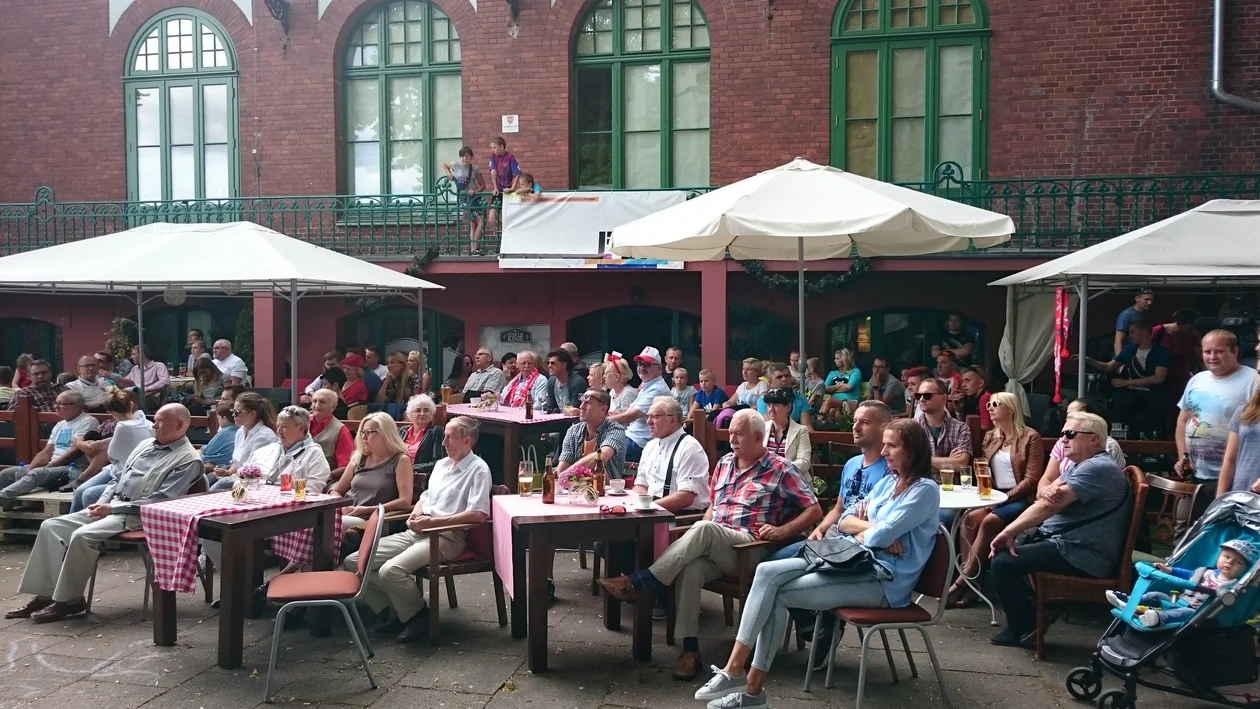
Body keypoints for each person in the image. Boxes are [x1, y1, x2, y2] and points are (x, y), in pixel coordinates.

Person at [693, 418, 941, 709]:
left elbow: (879, 533)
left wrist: (871, 531)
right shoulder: (888, 482)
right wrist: (870, 530)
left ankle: (748, 688)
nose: (884, 452)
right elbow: (845, 519)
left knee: (776, 594)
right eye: (884, 444)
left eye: (892, 446)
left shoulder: (925, 490)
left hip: (883, 579)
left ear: (913, 451)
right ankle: (737, 675)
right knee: (766, 571)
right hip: (847, 558)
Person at [600, 409, 822, 680]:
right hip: (718, 542)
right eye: (729, 433)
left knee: (704, 529)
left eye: (738, 434)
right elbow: (713, 509)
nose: (732, 439)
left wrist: (783, 530)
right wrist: (700, 536)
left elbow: (814, 510)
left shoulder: (780, 468)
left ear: (758, 436)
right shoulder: (726, 463)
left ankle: (643, 581)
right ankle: (690, 651)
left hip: (750, 548)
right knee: (691, 567)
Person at [5, 404, 201, 624]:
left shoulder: (189, 460)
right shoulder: (145, 444)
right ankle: (45, 595)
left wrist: (113, 508)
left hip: (140, 517)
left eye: (160, 421)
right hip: (113, 506)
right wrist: (102, 503)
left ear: (179, 424)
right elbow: (118, 480)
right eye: (154, 419)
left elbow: (162, 500)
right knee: (51, 526)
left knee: (83, 535)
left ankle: (69, 601)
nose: (154, 425)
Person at [765, 399, 893, 670]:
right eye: (855, 420)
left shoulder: (891, 469)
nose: (855, 426)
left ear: (884, 428)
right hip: (831, 537)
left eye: (864, 422)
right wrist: (820, 529)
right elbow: (838, 508)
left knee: (792, 576)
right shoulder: (852, 463)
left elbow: (880, 523)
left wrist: (842, 530)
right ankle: (813, 623)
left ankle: (827, 621)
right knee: (771, 562)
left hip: (856, 547)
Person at [988, 411, 1133, 648]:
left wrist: (1008, 532)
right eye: (1062, 433)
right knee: (1007, 551)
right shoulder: (1082, 465)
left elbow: (1047, 505)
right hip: (1069, 544)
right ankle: (1032, 615)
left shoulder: (1097, 468)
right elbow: (1044, 495)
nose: (1062, 439)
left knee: (1004, 561)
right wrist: (1046, 495)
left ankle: (1022, 626)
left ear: (1094, 439)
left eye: (1070, 434)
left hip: (1083, 553)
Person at [346, 416, 491, 642]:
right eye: (444, 436)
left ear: (467, 441)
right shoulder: (442, 465)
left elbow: (478, 514)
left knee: (389, 571)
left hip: (446, 537)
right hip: (417, 530)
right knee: (355, 561)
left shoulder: (478, 470)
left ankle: (418, 618)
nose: (443, 443)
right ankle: (399, 611)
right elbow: (425, 497)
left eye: (449, 437)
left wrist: (433, 523)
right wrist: (417, 512)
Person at [201, 406, 333, 574]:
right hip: (251, 508)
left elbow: (312, 491)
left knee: (242, 534)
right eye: (278, 426)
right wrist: (240, 491)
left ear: (301, 429)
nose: (279, 431)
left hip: (289, 515)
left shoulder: (314, 454)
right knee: (211, 531)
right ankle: (236, 581)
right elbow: (241, 480)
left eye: (285, 427)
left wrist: (276, 491)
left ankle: (250, 587)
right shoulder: (266, 450)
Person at [950, 392, 1043, 608]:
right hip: (995, 495)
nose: (990, 408)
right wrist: (990, 496)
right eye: (989, 404)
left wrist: (1004, 498)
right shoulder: (991, 436)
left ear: (1010, 408)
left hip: (1020, 498)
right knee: (969, 519)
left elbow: (1031, 480)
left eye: (995, 404)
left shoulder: (1031, 437)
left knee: (990, 522)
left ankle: (962, 581)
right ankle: (975, 585)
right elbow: (984, 471)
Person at [1175, 330, 1258, 497]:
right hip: (1194, 473)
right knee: (1185, 521)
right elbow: (1183, 421)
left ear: (1235, 351)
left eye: (1219, 351)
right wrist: (1183, 457)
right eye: (1207, 352)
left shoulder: (1253, 379)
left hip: (1232, 476)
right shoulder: (1197, 379)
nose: (1212, 356)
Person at [1106, 540, 1256, 628]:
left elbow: (1228, 605)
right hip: (1179, 601)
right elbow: (1187, 574)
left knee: (1185, 613)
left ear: (1244, 569)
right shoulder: (1206, 572)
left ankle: (1159, 617)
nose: (1229, 562)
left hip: (1196, 612)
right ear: (1219, 556)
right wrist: (1168, 569)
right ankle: (1128, 601)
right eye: (1226, 557)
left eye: (1238, 562)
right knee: (1156, 595)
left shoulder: (1233, 587)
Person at [0, 391, 99, 510]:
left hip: (73, 468)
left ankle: (3, 497)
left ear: (76, 406)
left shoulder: (88, 421)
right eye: (56, 403)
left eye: (61, 404)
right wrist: (30, 467)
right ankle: (8, 506)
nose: (56, 407)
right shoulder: (60, 425)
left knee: (37, 473)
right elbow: (46, 452)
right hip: (53, 466)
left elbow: (75, 452)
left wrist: (46, 468)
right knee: (6, 474)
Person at [67, 389, 153, 513]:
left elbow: (112, 455)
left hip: (125, 472)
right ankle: (74, 520)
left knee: (87, 493)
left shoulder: (122, 426)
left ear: (111, 412)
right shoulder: (146, 422)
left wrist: (99, 445)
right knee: (81, 490)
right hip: (118, 468)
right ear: (132, 405)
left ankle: (84, 522)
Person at [1083, 319, 1172, 437]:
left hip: (1152, 394)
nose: (1130, 336)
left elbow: (1158, 378)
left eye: (1133, 332)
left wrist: (1127, 382)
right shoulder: (1129, 350)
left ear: (1145, 332)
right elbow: (1109, 366)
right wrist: (1088, 360)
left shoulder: (1161, 352)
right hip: (1129, 394)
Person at [327, 412, 414, 530]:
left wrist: (369, 509)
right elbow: (336, 490)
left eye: (368, 432)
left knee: (326, 527)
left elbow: (405, 501)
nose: (363, 437)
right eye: (362, 432)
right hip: (346, 513)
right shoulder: (359, 458)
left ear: (385, 434)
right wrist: (342, 506)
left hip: (369, 519)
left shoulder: (400, 460)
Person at [633, 396, 707, 512]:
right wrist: (641, 505)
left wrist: (649, 507)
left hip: (679, 518)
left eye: (655, 417)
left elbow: (685, 497)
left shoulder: (689, 447)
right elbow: (641, 485)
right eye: (648, 416)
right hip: (650, 513)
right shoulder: (650, 446)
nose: (648, 422)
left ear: (672, 420)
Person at [208, 392, 281, 491]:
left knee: (221, 484)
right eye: (232, 411)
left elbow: (254, 470)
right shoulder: (240, 431)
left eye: (237, 412)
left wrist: (230, 476)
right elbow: (238, 462)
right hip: (239, 478)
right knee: (209, 477)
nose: (233, 415)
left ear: (252, 414)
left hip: (253, 483)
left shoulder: (265, 436)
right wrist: (227, 472)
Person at [608, 347, 670, 462]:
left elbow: (630, 416)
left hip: (641, 442)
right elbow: (629, 413)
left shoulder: (657, 389)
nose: (641, 368)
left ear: (659, 368)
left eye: (646, 365)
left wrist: (602, 421)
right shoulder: (647, 386)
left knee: (602, 452)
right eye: (639, 364)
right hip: (632, 437)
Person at [914, 378, 972, 473]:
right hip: (921, 485)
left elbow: (961, 465)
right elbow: (909, 464)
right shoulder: (911, 428)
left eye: (927, 395)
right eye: (918, 395)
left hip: (951, 486)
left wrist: (922, 459)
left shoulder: (961, 428)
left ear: (944, 398)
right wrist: (948, 461)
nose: (921, 399)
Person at [761, 387, 812, 479]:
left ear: (788, 407)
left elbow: (804, 462)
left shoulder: (801, 430)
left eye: (776, 405)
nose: (771, 409)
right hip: (766, 480)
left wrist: (779, 469)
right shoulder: (762, 428)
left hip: (793, 481)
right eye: (768, 405)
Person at [1153, 308, 1202, 402]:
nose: (1192, 330)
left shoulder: (1192, 336)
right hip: (1162, 377)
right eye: (1190, 327)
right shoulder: (1158, 331)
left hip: (1181, 378)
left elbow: (1197, 357)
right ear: (1181, 323)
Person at [444, 146, 488, 252]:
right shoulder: (455, 165)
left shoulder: (475, 169)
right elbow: (444, 164)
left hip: (474, 197)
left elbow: (483, 185)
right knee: (480, 222)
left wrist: (475, 191)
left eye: (467, 156)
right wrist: (448, 174)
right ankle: (475, 248)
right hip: (463, 198)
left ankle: (473, 249)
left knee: (474, 224)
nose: (464, 159)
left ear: (471, 157)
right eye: (462, 156)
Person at [309, 389, 353, 480]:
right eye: (314, 401)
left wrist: (326, 477)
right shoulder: (301, 423)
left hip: (328, 479)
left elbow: (347, 466)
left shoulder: (341, 430)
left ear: (333, 406)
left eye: (322, 402)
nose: (317, 405)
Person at [714, 358, 767, 428]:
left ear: (756, 372)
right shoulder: (742, 386)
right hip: (738, 416)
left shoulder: (761, 385)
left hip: (753, 418)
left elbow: (763, 403)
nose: (744, 372)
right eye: (743, 369)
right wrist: (726, 404)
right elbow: (731, 401)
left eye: (748, 369)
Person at [400, 394, 445, 475]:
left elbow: (438, 462)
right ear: (410, 414)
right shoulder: (401, 431)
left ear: (431, 415)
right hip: (397, 473)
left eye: (426, 410)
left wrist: (411, 468)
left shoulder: (436, 432)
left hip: (419, 477)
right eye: (418, 410)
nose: (422, 413)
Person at [486, 136, 521, 234]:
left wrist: (512, 188)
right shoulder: (493, 156)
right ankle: (502, 234)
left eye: (494, 147)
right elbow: (493, 171)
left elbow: (517, 173)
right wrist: (495, 187)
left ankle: (506, 236)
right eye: (492, 148)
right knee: (491, 218)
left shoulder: (510, 157)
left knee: (508, 217)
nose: (493, 150)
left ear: (501, 146)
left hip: (508, 190)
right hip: (498, 190)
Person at [543, 348, 587, 413]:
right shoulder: (551, 381)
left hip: (574, 420)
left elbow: (575, 409)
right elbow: (550, 406)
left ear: (564, 365)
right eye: (548, 363)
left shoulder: (577, 383)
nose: (549, 366)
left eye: (553, 363)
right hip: (557, 419)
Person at [199, 402, 239, 474]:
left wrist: (203, 448)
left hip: (221, 463)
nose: (218, 421)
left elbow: (208, 451)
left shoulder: (224, 433)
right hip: (231, 463)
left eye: (218, 418)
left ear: (224, 418)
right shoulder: (240, 429)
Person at [820, 349, 862, 417]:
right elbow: (824, 389)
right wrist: (838, 386)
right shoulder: (832, 373)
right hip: (835, 402)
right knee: (832, 411)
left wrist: (832, 390)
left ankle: (818, 421)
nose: (835, 361)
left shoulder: (855, 372)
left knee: (829, 401)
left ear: (844, 359)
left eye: (837, 359)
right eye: (835, 358)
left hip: (849, 402)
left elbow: (848, 387)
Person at [1114, 288, 1155, 356]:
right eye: (1146, 299)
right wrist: (1120, 362)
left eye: (1151, 300)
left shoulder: (1144, 314)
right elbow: (1118, 341)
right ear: (1137, 299)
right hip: (1127, 354)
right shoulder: (1126, 315)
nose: (1149, 303)